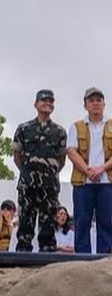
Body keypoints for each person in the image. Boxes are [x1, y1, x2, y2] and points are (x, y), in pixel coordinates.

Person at [67, 87, 112, 254]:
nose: (95, 103)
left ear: (104, 104)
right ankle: (82, 258)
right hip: (83, 181)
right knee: (82, 221)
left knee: (106, 222)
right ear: (85, 105)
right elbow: (71, 151)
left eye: (98, 100)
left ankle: (104, 258)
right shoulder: (76, 126)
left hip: (107, 181)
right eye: (91, 100)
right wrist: (87, 170)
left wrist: (102, 168)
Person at [13, 89, 66, 252]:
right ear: (36, 104)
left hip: (49, 185)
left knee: (48, 222)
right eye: (44, 101)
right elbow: (17, 156)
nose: (47, 104)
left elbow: (62, 160)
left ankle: (47, 253)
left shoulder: (59, 131)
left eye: (51, 101)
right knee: (25, 221)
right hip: (28, 183)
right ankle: (22, 253)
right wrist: (28, 172)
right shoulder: (24, 128)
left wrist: (49, 172)